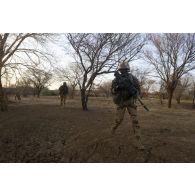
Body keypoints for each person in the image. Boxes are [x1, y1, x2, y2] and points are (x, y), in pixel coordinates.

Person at [111, 62, 145, 150]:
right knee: (119, 120)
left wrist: (135, 94)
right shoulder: (116, 80)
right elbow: (112, 91)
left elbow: (138, 90)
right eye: (122, 70)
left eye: (125, 70)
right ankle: (113, 128)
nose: (123, 71)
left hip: (131, 102)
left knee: (135, 122)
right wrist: (118, 88)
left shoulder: (133, 78)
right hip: (121, 102)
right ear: (119, 70)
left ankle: (139, 143)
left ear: (127, 70)